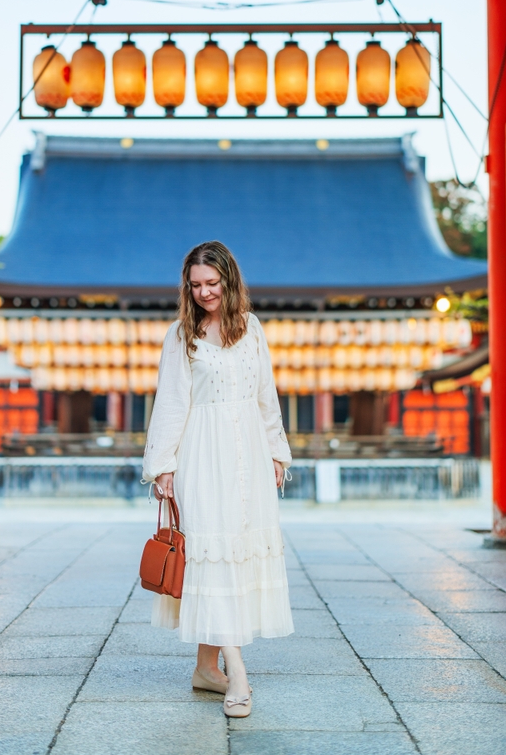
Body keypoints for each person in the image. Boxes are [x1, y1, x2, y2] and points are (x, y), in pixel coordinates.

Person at [142, 240, 293, 719]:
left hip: (248, 450)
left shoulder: (252, 329)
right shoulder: (180, 334)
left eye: (212, 282)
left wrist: (276, 451)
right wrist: (163, 465)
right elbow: (170, 402)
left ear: (229, 279)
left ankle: (207, 669)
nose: (205, 292)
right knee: (211, 556)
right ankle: (238, 674)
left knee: (232, 555)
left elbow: (266, 394)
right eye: (196, 285)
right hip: (201, 454)